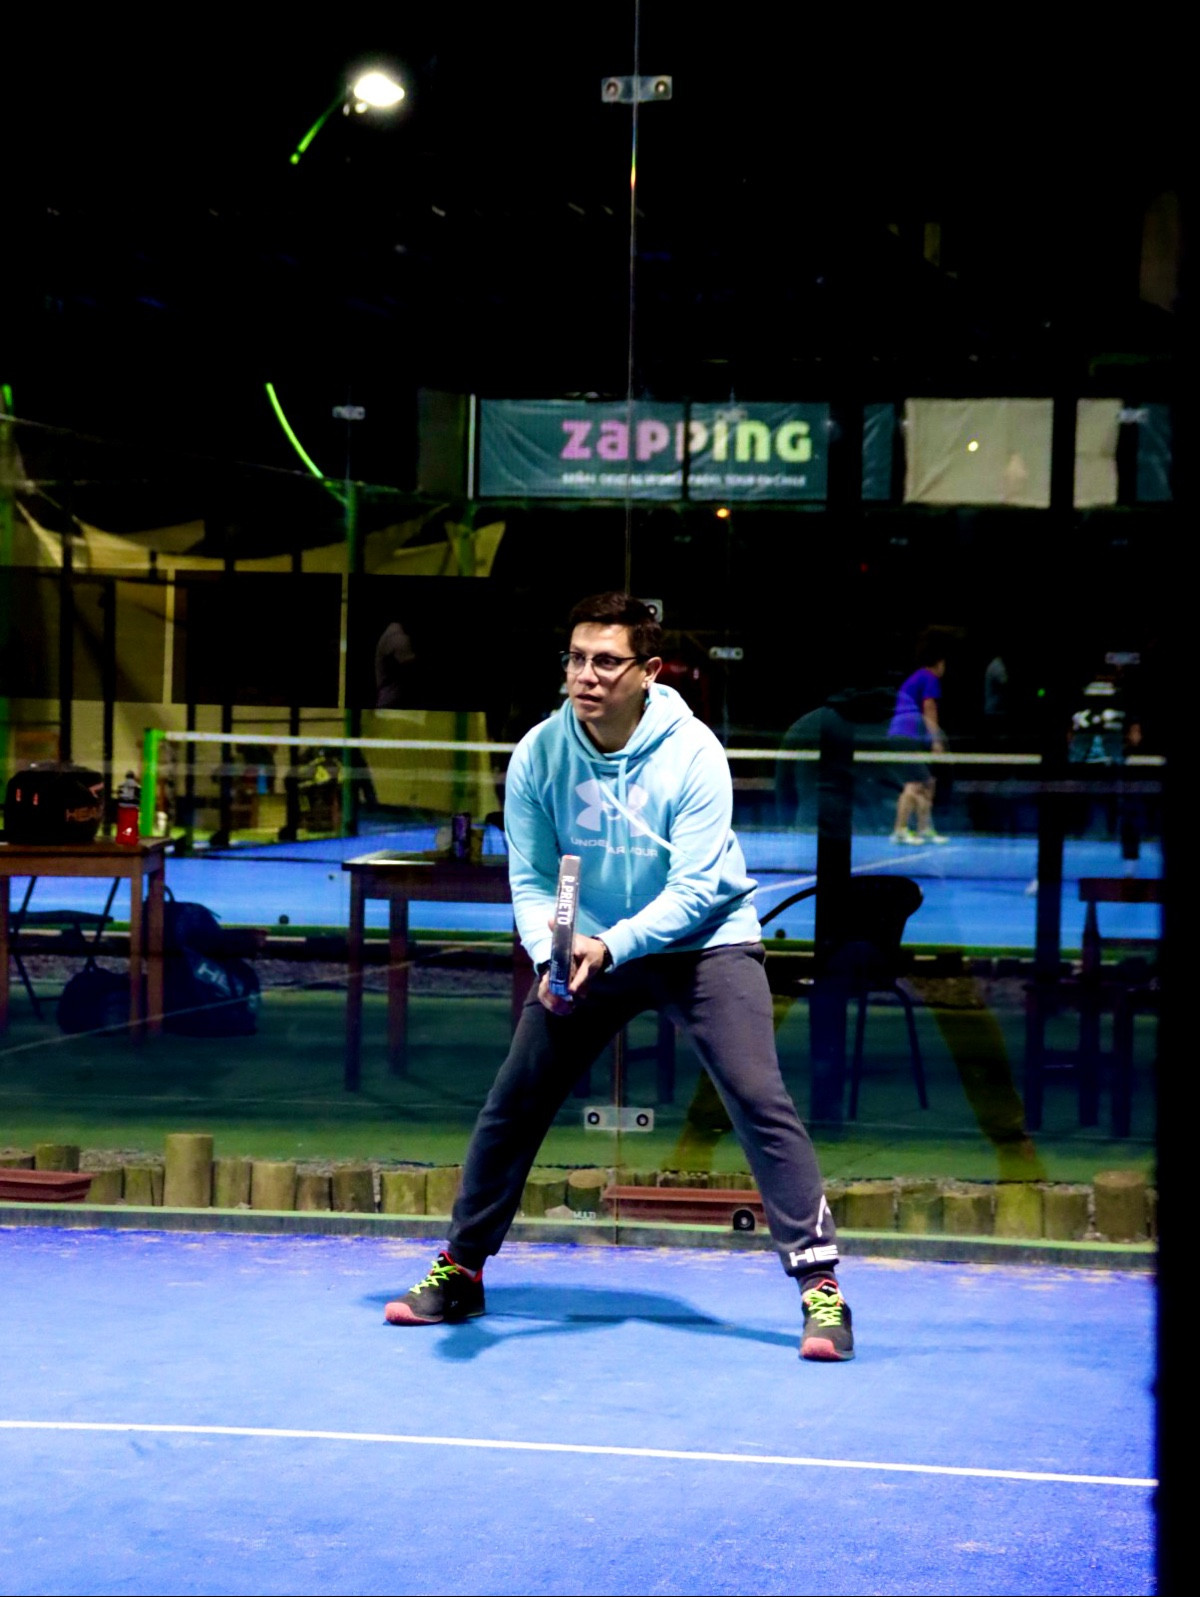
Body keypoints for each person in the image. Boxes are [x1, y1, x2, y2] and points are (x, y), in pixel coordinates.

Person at [385, 592, 853, 1362]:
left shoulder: (694, 752)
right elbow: (531, 878)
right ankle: (461, 1270)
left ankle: (820, 1287)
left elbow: (697, 889)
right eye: (576, 658)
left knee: (757, 1097)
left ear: (649, 670)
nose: (586, 675)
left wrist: (609, 945)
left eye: (606, 661)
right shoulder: (539, 754)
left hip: (703, 943)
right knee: (515, 1097)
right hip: (589, 949)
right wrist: (551, 951)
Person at [888, 640, 949, 844]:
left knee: (927, 782)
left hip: (904, 734)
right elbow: (929, 708)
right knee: (914, 783)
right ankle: (900, 830)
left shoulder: (918, 677)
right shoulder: (929, 677)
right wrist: (936, 740)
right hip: (905, 734)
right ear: (939, 663)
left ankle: (924, 829)